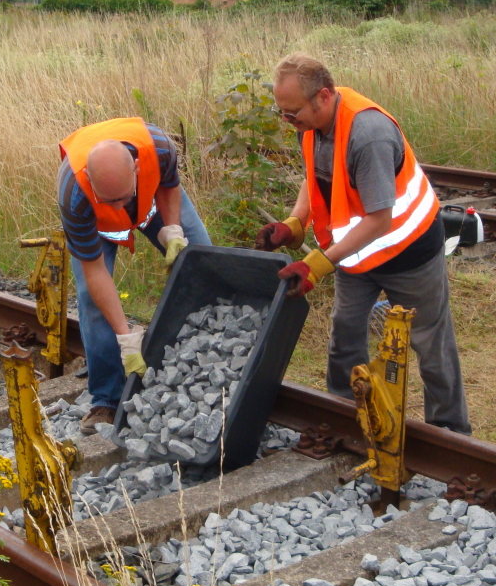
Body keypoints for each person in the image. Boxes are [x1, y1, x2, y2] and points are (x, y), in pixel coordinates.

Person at [255, 53, 471, 435]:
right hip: (357, 253)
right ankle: (346, 418)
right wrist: (295, 222)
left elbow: (379, 219)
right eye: (282, 113)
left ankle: (452, 434)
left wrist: (317, 264)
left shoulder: (367, 135)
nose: (288, 121)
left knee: (429, 345)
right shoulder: (312, 125)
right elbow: (315, 175)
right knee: (345, 333)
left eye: (292, 113)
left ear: (323, 96)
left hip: (409, 252)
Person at [58, 117, 212, 435]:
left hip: (152, 200)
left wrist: (172, 229)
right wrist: (126, 340)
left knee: (203, 262)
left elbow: (170, 187)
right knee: (90, 300)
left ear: (137, 169)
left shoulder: (159, 149)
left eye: (124, 197)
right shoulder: (74, 194)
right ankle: (107, 400)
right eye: (111, 200)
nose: (120, 207)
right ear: (89, 178)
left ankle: (207, 364)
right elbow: (95, 272)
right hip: (96, 222)